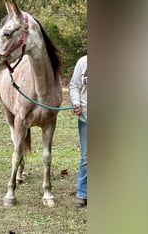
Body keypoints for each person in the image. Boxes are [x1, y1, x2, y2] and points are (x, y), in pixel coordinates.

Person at [69, 55, 87, 208]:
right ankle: (82, 193)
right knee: (86, 157)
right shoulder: (83, 62)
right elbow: (74, 86)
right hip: (86, 118)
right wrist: (76, 103)